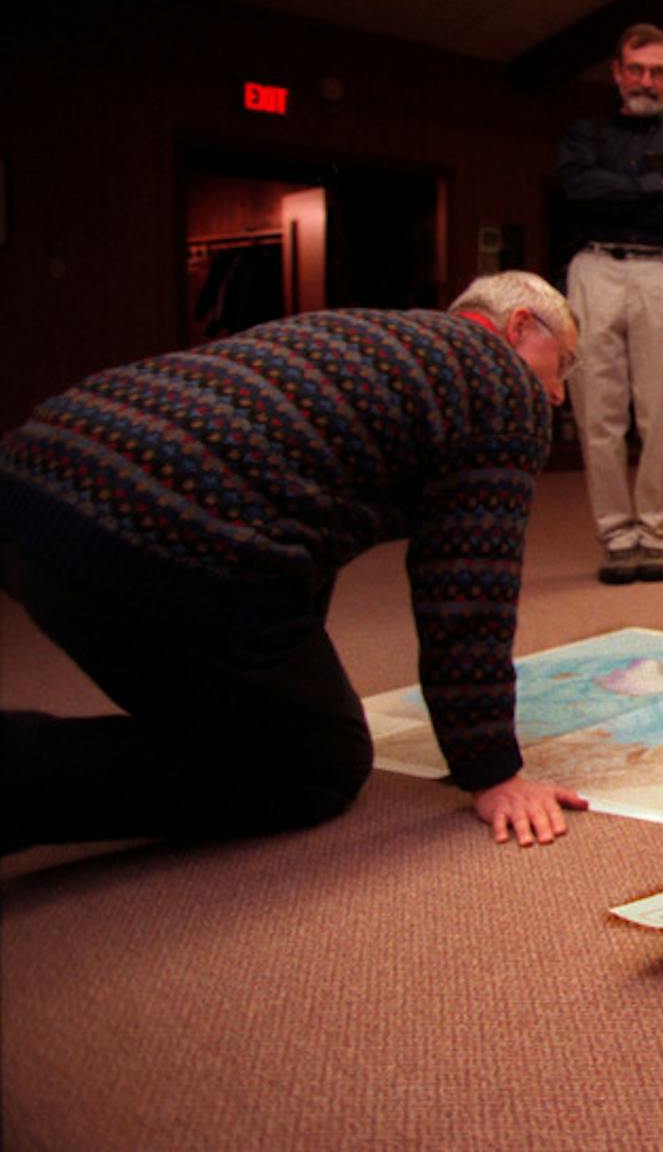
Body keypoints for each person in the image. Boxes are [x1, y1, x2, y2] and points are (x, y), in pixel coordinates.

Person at [0, 272, 591, 853]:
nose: (559, 392)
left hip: (34, 482)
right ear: (517, 327)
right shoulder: (502, 387)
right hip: (156, 532)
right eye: (561, 364)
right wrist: (491, 770)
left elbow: (301, 509)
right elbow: (467, 589)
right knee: (317, 761)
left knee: (244, 703)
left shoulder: (374, 339)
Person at [560, 21, 663, 585]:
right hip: (594, 272)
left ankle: (655, 535)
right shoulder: (585, 137)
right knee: (597, 415)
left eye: (657, 72)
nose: (646, 81)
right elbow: (578, 194)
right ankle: (616, 536)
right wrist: (655, 190)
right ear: (617, 73)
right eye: (636, 69)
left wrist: (618, 194)